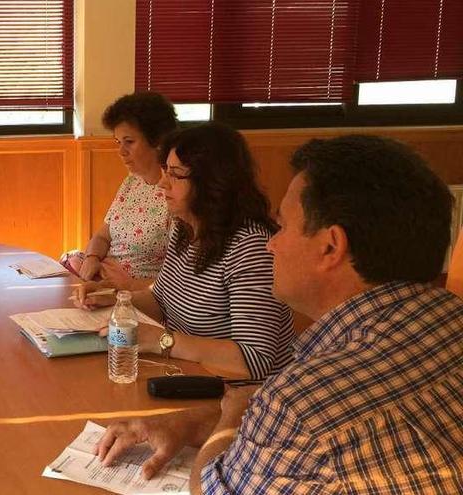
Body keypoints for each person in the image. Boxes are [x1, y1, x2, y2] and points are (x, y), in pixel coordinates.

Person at [94, 135, 463, 493]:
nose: (272, 243)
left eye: (283, 225)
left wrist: (231, 416)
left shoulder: (297, 403)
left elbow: (213, 487)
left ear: (330, 246)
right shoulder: (452, 319)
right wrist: (196, 422)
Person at [74, 123, 294, 381]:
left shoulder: (251, 247)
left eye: (176, 174)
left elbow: (254, 360)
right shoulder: (185, 228)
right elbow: (162, 301)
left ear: (212, 182)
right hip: (187, 373)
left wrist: (163, 341)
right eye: (165, 170)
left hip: (240, 395)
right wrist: (117, 299)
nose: (162, 184)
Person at [62, 92, 177, 290]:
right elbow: (102, 236)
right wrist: (92, 258)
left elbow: (177, 282)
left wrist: (121, 289)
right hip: (101, 276)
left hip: (132, 293)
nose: (121, 152)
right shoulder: (132, 182)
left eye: (129, 142)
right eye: (118, 142)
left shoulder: (176, 195)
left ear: (158, 141)